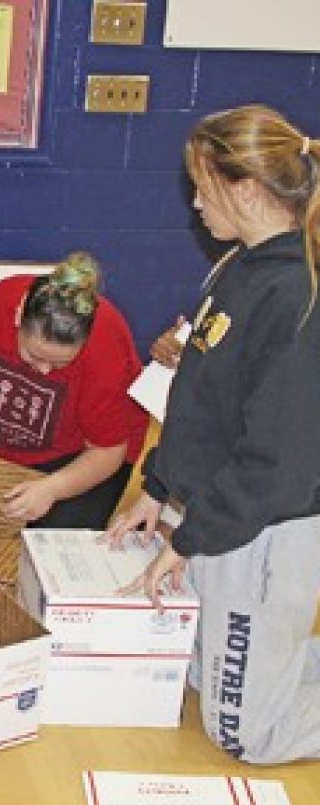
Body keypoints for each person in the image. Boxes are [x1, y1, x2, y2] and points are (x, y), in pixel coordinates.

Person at [106, 105, 320, 765]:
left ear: (248, 191)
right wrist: (161, 490)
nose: (195, 203)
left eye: (203, 186)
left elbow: (277, 462)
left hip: (262, 528)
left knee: (244, 733)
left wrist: (192, 538)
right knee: (199, 677)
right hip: (217, 513)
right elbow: (202, 404)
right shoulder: (240, 268)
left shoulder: (295, 294)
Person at [0, 251, 148, 529]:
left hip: (83, 456)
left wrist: (53, 488)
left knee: (46, 549)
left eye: (61, 362)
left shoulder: (107, 344)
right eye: (34, 357)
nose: (45, 371)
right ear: (20, 314)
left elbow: (107, 451)